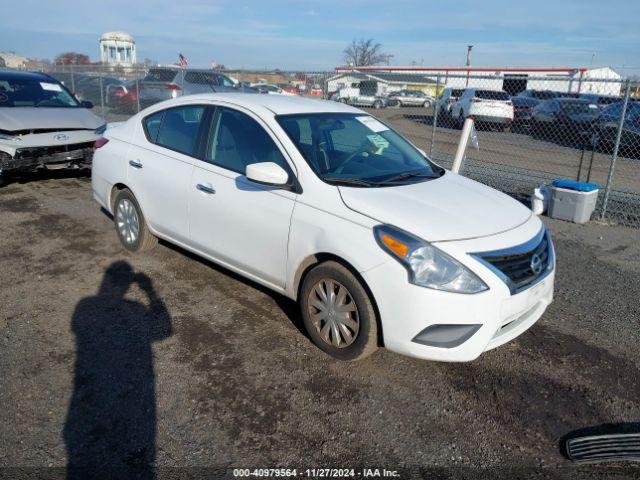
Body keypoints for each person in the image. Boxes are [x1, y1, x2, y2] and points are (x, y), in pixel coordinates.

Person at [63, 261, 172, 479]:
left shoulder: (85, 306)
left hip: (88, 404)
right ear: (127, 285)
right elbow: (164, 330)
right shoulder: (136, 309)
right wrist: (150, 292)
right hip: (132, 405)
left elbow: (78, 328)